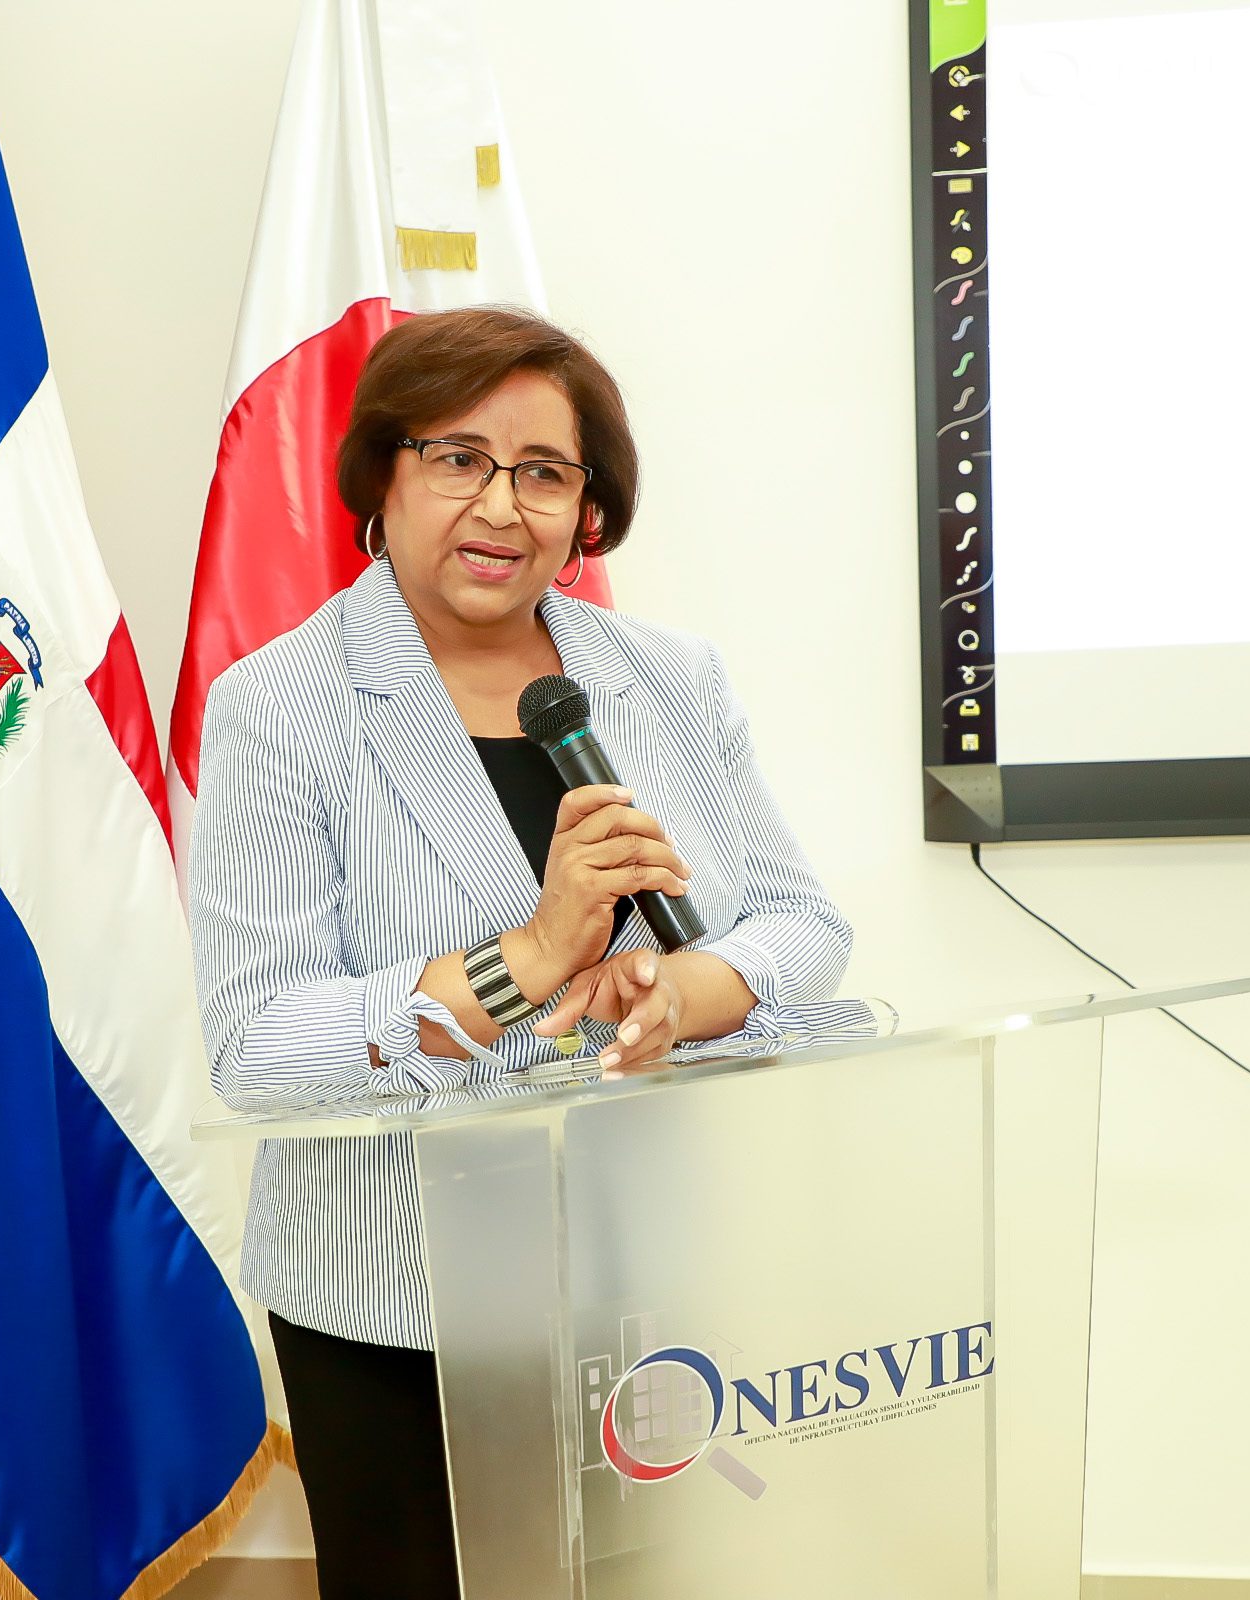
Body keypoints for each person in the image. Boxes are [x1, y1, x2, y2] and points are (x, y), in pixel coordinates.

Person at [188, 306, 855, 1599]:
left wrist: (679, 990)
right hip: (393, 1299)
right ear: (381, 477)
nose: (501, 505)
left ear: (586, 507)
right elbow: (260, 1048)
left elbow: (802, 922)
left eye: (545, 472)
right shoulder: (280, 705)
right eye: (458, 459)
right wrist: (531, 957)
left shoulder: (669, 679)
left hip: (638, 1274)